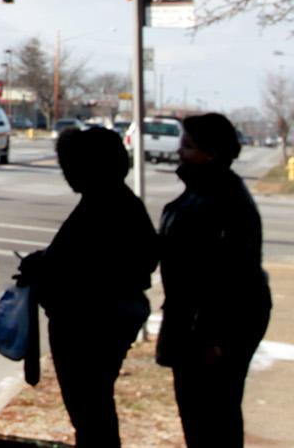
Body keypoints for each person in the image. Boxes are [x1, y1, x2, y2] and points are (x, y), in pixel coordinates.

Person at [18, 126, 156, 447]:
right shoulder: (112, 202)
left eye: (70, 166)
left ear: (89, 166)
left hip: (91, 327)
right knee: (93, 412)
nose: (66, 174)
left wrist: (45, 267)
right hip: (96, 323)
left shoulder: (104, 207)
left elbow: (86, 268)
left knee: (91, 413)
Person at [157, 112, 272, 448]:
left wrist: (216, 338)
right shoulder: (201, 191)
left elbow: (233, 274)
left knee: (212, 416)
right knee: (201, 416)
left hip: (212, 326)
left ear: (211, 152)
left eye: (188, 146)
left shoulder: (222, 199)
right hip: (197, 323)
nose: (180, 152)